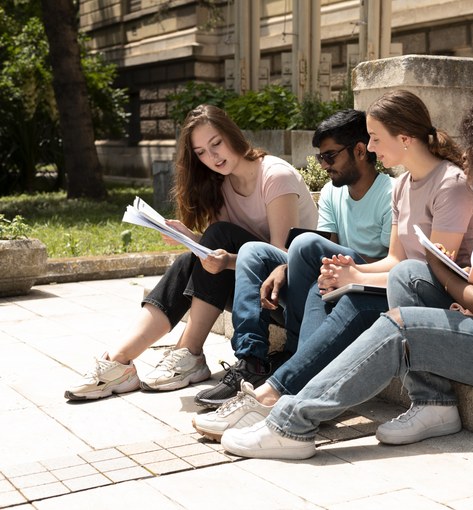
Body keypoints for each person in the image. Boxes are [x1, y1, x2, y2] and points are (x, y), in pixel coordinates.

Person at [215, 92, 473, 459]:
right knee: (408, 274)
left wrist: (442, 273)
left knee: (402, 325)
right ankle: (433, 404)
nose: (470, 159)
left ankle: (290, 422)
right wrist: (425, 273)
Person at [191, 89, 473, 439]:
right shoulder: (403, 185)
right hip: (405, 282)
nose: (370, 148)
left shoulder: (450, 184)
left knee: (356, 295)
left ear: (404, 139)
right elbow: (396, 258)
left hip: (437, 297)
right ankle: (288, 385)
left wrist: (357, 275)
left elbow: (435, 269)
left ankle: (273, 393)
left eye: (374, 138)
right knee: (322, 278)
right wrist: (349, 274)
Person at [64, 104, 318, 400]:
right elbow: (226, 253)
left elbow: (279, 257)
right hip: (254, 291)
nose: (212, 157)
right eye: (201, 152)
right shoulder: (222, 184)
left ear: (232, 135)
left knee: (218, 236)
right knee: (191, 257)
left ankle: (189, 352)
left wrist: (221, 257)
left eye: (216, 144)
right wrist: (189, 237)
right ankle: (120, 360)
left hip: (290, 296)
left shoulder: (275, 176)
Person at [192, 109, 393, 412]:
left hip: (365, 282)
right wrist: (285, 267)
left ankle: (295, 365)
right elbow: (327, 250)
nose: (323, 166)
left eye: (330, 157)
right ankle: (252, 361)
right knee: (252, 251)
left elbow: (393, 262)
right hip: (330, 277)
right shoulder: (330, 193)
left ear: (360, 151)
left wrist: (344, 273)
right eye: (320, 159)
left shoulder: (389, 193)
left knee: (304, 242)